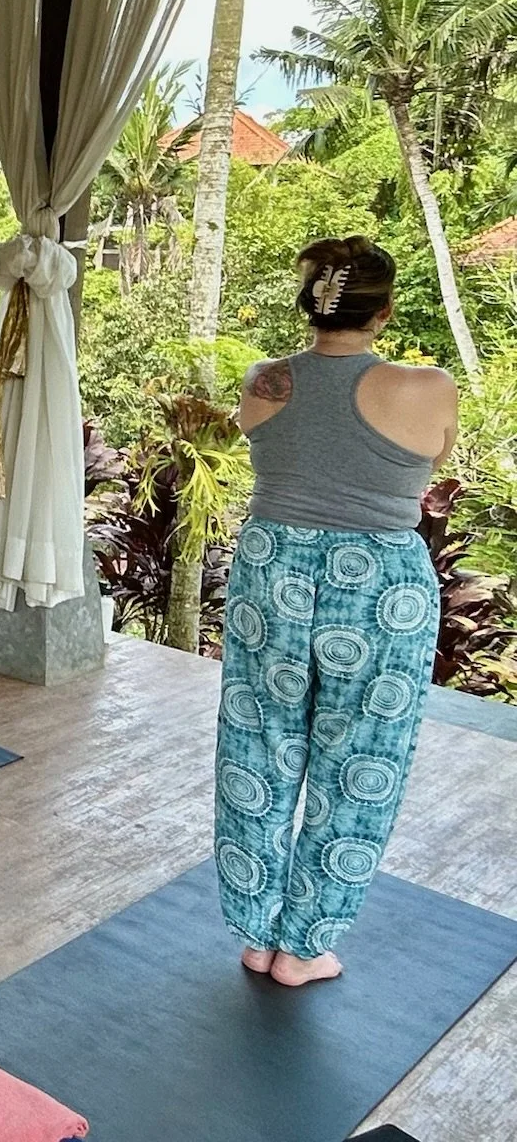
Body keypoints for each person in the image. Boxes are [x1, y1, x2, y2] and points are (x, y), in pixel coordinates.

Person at [216, 237, 454, 988]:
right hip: (379, 583)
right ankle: (306, 946)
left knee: (258, 742)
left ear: (310, 303)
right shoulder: (427, 386)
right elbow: (432, 456)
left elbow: (268, 438)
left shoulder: (267, 379)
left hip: (271, 571)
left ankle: (257, 936)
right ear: (382, 312)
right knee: (359, 762)